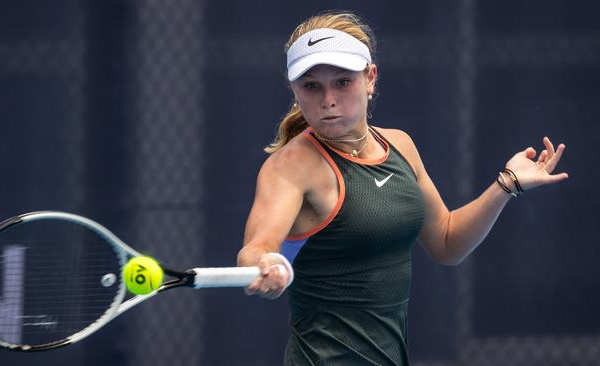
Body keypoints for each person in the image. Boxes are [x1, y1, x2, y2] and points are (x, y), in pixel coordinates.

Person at [236, 11, 568, 366]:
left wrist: (507, 184)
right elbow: (257, 248)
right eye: (311, 85)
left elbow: (447, 242)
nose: (328, 98)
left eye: (343, 82)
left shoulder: (400, 147)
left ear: (370, 79)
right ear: (295, 90)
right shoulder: (290, 166)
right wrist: (265, 264)